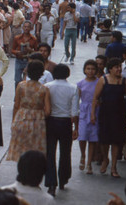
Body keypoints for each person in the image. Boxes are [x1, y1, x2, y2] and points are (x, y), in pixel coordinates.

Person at [91, 58, 126, 178]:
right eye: (116, 67)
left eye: (120, 67)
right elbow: (95, 98)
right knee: (104, 141)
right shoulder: (103, 80)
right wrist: (92, 113)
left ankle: (114, 167)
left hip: (119, 114)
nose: (119, 69)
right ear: (110, 69)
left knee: (116, 140)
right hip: (105, 114)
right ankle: (105, 158)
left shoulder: (124, 81)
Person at [44, 64, 79, 196]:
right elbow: (74, 111)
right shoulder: (73, 88)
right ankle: (63, 178)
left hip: (51, 121)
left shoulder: (47, 87)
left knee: (50, 152)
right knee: (65, 152)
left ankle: (51, 182)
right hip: (65, 123)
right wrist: (76, 127)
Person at [7, 60, 50, 162]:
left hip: (21, 118)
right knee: (35, 150)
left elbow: (16, 105)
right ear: (41, 73)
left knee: (22, 150)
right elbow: (48, 111)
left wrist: (14, 121)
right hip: (38, 121)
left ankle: (22, 172)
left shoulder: (21, 85)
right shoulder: (44, 89)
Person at [77, 60, 99, 175]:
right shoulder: (80, 83)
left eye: (93, 69)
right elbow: (77, 99)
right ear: (84, 70)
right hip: (84, 111)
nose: (90, 71)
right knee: (82, 136)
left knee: (92, 138)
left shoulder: (99, 82)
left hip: (95, 111)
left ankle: (89, 163)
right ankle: (83, 155)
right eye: (88, 69)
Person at [11, 21, 38, 89]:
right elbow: (12, 50)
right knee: (17, 80)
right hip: (19, 60)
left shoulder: (34, 39)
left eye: (28, 27)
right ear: (22, 27)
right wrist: (17, 52)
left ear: (31, 28)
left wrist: (30, 50)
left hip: (28, 61)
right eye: (25, 27)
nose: (26, 28)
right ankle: (17, 96)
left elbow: (37, 52)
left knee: (28, 80)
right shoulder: (17, 38)